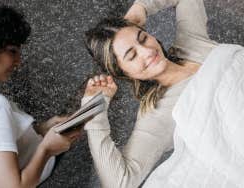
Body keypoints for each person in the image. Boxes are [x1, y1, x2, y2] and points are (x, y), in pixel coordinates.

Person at [81, 0, 235, 187]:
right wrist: (94, 113)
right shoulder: (157, 113)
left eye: (143, 38)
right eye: (132, 55)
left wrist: (142, 7)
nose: (147, 51)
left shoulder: (191, 43)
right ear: (124, 73)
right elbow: (120, 182)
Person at [0, 1, 82, 187]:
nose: (18, 62)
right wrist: (47, 149)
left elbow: (3, 140)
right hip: (46, 167)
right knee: (91, 98)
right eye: (12, 51)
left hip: (43, 146)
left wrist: (41, 130)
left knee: (85, 100)